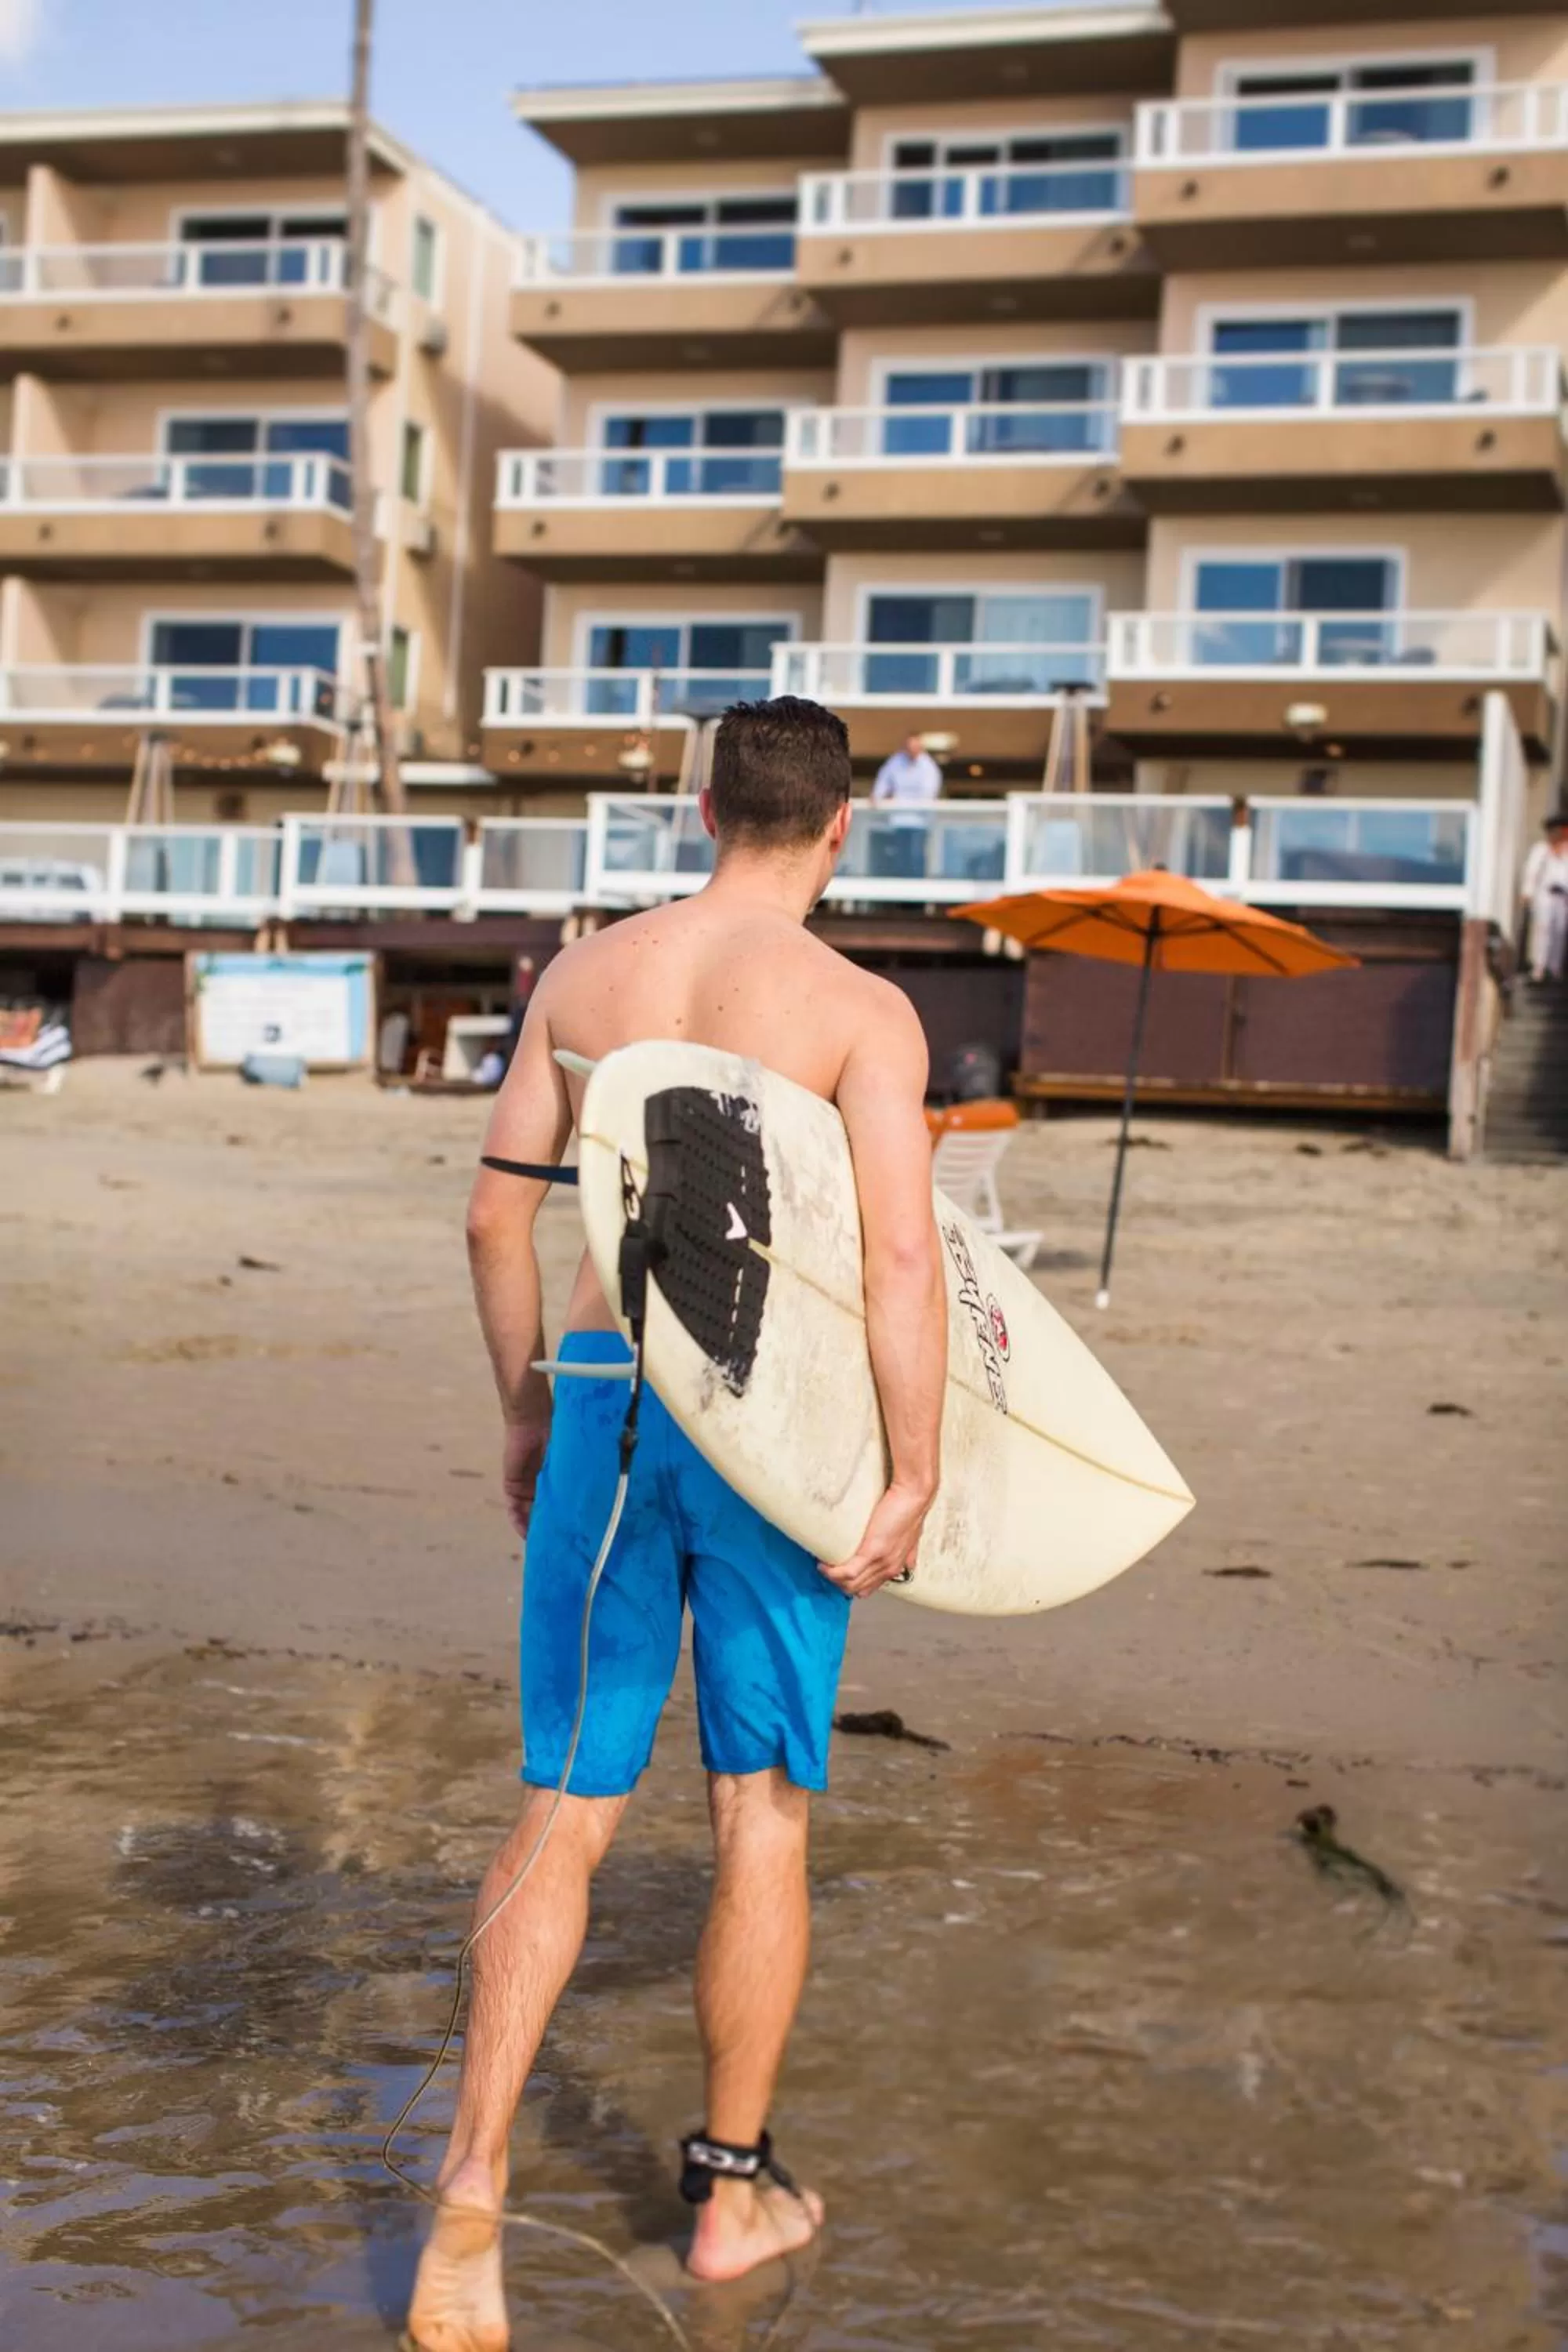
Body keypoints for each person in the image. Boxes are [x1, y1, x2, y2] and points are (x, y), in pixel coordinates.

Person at [406, 696, 946, 2352]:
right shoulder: (860, 1011)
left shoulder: (585, 978)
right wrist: (913, 1472)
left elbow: (498, 1213)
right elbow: (906, 1266)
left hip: (607, 1402)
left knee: (565, 1804)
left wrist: (525, 1405)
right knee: (759, 1811)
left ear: (701, 807)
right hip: (773, 1440)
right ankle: (728, 2198)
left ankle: (469, 2210)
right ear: (839, 825)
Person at [870, 730, 942, 880]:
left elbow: (929, 793)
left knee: (916, 855)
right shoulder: (895, 762)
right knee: (900, 855)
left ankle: (917, 891)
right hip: (899, 819)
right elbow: (883, 782)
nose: (912, 751)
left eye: (916, 747)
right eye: (910, 747)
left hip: (920, 822)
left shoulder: (928, 766)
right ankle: (900, 887)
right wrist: (877, 797)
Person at [1521, 812, 1568, 985]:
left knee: (1560, 932)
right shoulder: (1541, 849)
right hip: (1545, 894)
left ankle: (1554, 968)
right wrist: (1527, 892)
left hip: (1563, 897)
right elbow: (1531, 873)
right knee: (1542, 930)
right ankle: (1538, 968)